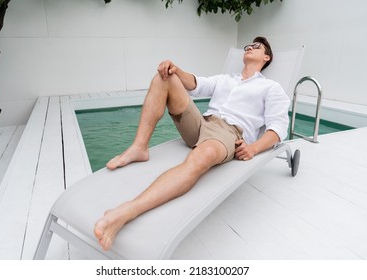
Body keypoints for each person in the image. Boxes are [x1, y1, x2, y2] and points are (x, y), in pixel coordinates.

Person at [94, 36, 290, 251]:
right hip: (201, 123)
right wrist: (175, 69)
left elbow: (278, 127)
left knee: (200, 158)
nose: (251, 47)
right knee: (164, 77)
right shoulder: (225, 79)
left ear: (266, 57)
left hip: (228, 133)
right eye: (249, 45)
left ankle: (127, 211)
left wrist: (253, 148)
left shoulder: (271, 88)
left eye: (257, 46)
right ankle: (140, 147)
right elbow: (196, 84)